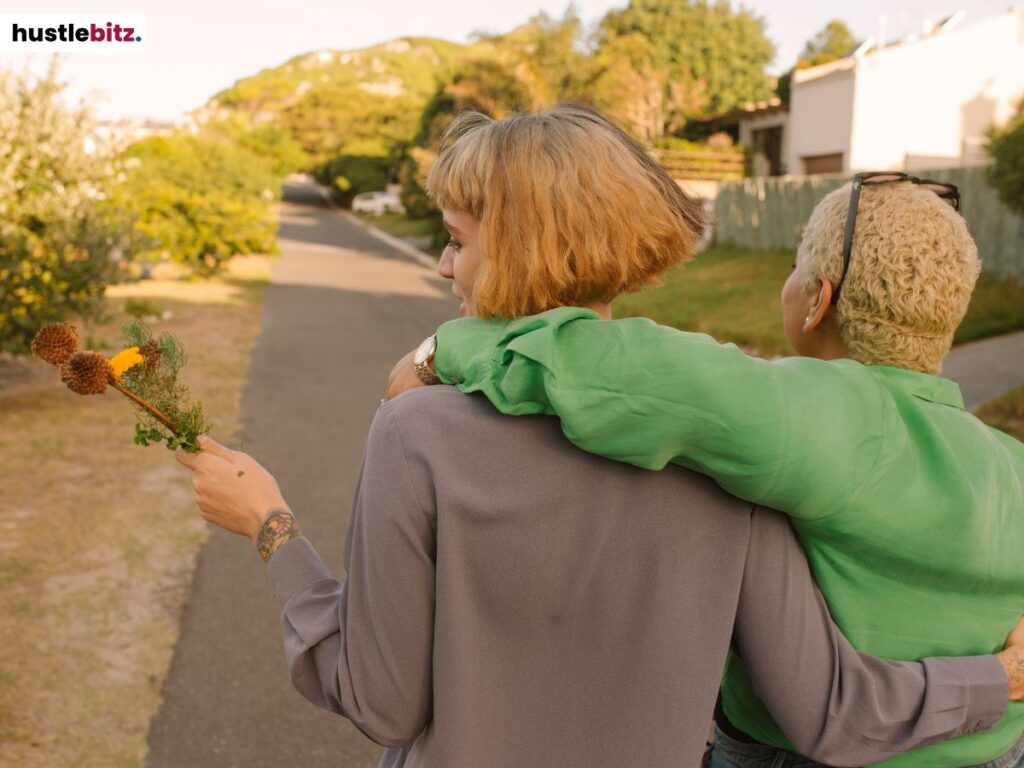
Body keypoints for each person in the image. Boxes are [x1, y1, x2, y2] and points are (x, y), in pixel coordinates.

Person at [175, 106, 1024, 768]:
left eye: (457, 242)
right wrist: (995, 680)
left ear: (512, 249)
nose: (443, 267)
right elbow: (823, 704)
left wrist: (272, 527)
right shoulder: (731, 457)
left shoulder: (417, 432)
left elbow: (380, 700)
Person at [387, 167, 1024, 767]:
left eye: (795, 266)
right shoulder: (1009, 464)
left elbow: (610, 368)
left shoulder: (819, 416)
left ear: (816, 300)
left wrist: (440, 349)